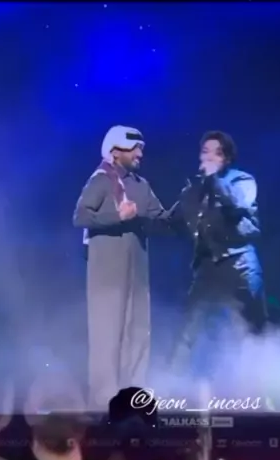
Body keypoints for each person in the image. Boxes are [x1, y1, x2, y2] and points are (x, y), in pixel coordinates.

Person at [73, 125, 169, 408]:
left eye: (141, 148)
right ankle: (104, 403)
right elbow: (80, 216)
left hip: (137, 273)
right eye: (135, 149)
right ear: (116, 152)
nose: (140, 154)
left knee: (137, 334)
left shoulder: (141, 185)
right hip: (107, 275)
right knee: (108, 335)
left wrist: (187, 211)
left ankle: (134, 398)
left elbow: (160, 218)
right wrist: (118, 217)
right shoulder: (101, 180)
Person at [169, 130, 267, 373]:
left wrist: (214, 179)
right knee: (188, 327)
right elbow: (171, 220)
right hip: (208, 265)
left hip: (240, 262)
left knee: (253, 325)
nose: (209, 157)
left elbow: (237, 203)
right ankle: (170, 382)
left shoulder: (242, 180)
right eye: (205, 152)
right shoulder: (194, 189)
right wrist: (133, 218)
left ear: (228, 158)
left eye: (217, 153)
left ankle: (261, 381)